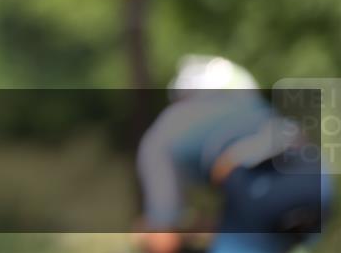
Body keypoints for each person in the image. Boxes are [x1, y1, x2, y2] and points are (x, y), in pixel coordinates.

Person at [136, 55, 333, 253]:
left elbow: (164, 240)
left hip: (256, 188)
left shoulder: (162, 134)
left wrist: (151, 234)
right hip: (317, 177)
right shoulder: (252, 106)